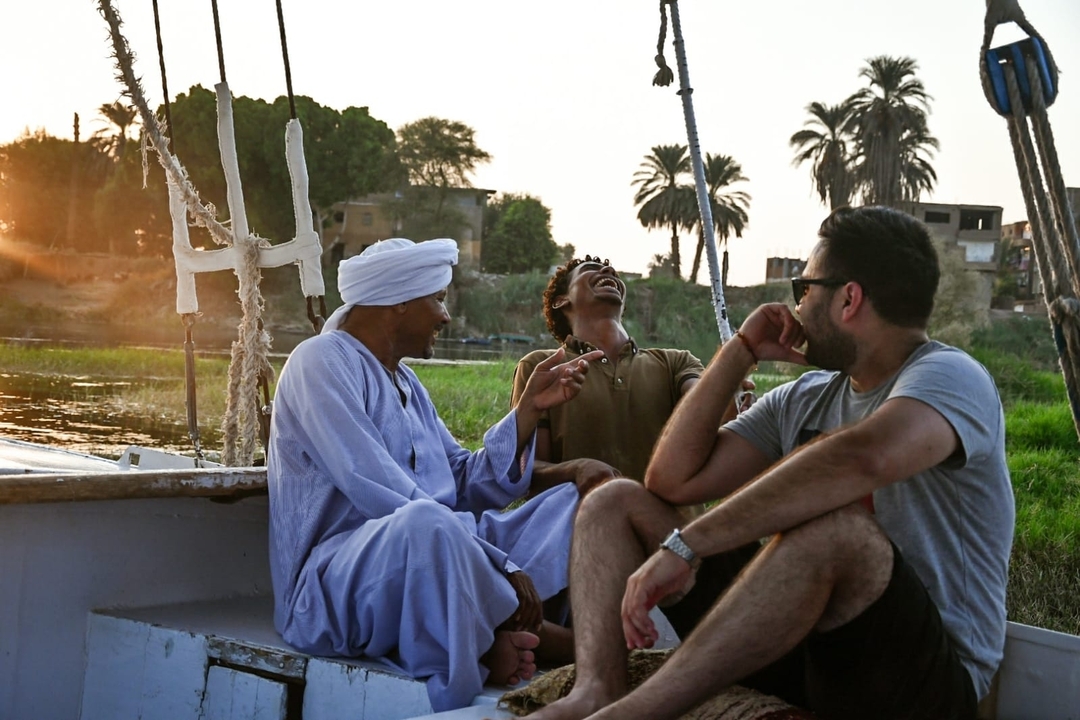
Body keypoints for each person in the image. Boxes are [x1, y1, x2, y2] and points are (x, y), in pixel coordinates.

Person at [531, 206, 1014, 720]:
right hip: (804, 649)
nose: (796, 306)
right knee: (615, 500)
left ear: (848, 299)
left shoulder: (950, 377)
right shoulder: (805, 397)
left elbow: (862, 457)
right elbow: (671, 480)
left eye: (803, 288)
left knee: (837, 531)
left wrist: (687, 545)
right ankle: (595, 691)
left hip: (920, 679)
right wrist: (741, 350)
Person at [266, 237, 603, 713]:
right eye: (439, 299)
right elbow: (377, 488)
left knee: (577, 505)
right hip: (332, 590)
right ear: (399, 302)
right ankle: (559, 642)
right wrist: (500, 566)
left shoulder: (406, 382)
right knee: (425, 522)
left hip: (436, 551)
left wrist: (528, 409)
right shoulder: (319, 361)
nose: (445, 317)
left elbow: (462, 480)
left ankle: (502, 627)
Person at [511, 255, 749, 508]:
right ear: (562, 300)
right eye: (590, 269)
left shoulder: (676, 362)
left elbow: (709, 409)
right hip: (579, 528)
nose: (608, 270)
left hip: (674, 528)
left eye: (612, 272)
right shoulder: (541, 367)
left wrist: (727, 390)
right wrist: (576, 470)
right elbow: (525, 473)